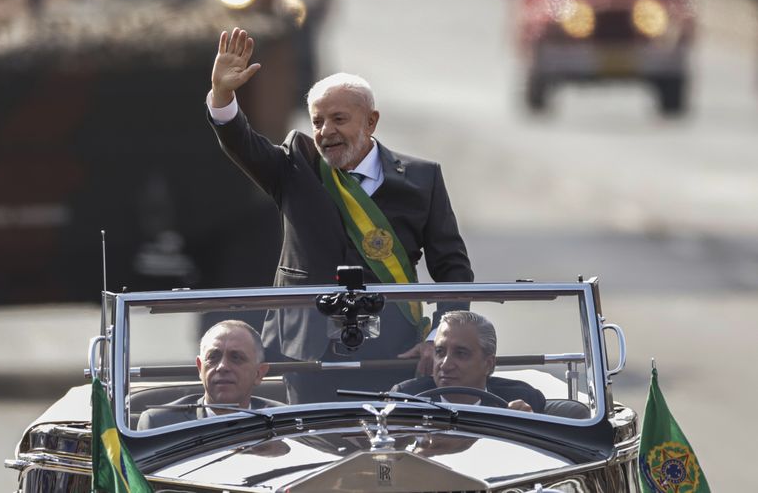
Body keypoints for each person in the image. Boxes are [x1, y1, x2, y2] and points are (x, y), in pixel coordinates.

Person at [207, 28, 473, 402]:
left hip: (397, 351)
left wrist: (439, 338)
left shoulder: (421, 178)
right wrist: (223, 95)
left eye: (339, 119)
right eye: (317, 122)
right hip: (307, 353)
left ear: (371, 122)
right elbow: (242, 143)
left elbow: (453, 270)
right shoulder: (295, 167)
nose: (326, 131)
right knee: (312, 448)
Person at [137, 320, 281, 429]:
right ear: (200, 368)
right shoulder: (159, 424)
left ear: (258, 373)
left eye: (236, 358)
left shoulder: (284, 421)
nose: (222, 367)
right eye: (213, 357)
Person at [392, 311, 545, 413]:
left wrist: (525, 425)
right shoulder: (406, 397)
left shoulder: (522, 399)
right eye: (439, 352)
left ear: (488, 364)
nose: (445, 365)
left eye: (461, 354)